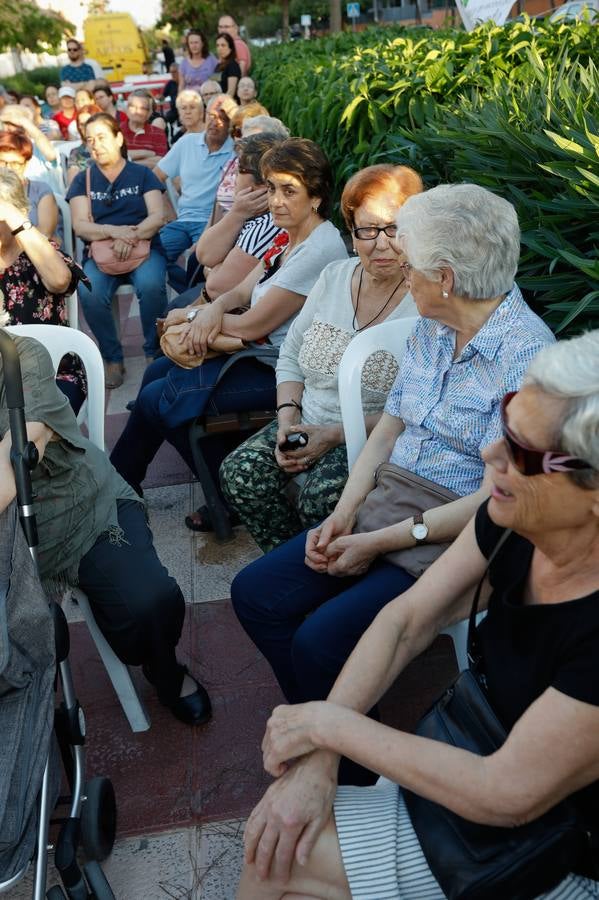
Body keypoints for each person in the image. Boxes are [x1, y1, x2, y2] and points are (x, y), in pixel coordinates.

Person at [237, 331, 599, 900]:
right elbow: (405, 621)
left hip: (557, 847)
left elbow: (508, 795)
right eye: (505, 423)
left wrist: (329, 727)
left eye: (523, 452)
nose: (489, 455)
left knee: (276, 858)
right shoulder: (514, 523)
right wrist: (319, 764)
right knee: (278, 842)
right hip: (479, 770)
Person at [231, 184, 556, 785]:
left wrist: (378, 542)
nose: (400, 272)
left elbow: (497, 500)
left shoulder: (527, 358)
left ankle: (351, 772)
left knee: (320, 641)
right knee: (255, 594)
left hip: (464, 530)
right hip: (392, 500)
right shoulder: (435, 325)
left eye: (410, 263)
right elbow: (388, 433)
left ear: (447, 278)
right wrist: (346, 513)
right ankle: (334, 736)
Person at [110, 138, 348, 501]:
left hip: (277, 367)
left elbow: (254, 324)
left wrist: (194, 316)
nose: (276, 200)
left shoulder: (318, 248)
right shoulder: (289, 237)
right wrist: (210, 310)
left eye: (289, 190)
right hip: (253, 351)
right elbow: (239, 292)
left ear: (315, 196)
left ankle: (176, 491)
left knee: (159, 398)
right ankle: (202, 488)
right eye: (271, 189)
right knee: (158, 375)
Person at [0, 328, 212, 728]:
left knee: (149, 602)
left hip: (76, 513)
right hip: (5, 544)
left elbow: (11, 470)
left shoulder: (21, 357)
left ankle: (162, 667)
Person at [220, 164, 424, 548]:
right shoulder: (333, 276)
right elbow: (291, 355)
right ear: (352, 231)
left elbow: (416, 404)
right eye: (367, 230)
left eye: (394, 229)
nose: (381, 244)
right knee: (240, 473)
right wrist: (287, 420)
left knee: (321, 498)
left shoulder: (424, 300)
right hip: (306, 418)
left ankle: (319, 571)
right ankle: (286, 565)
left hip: (373, 437)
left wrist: (332, 436)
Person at [67, 113, 168, 388]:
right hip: (101, 253)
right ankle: (112, 357)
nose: (95, 145)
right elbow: (80, 225)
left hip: (145, 247)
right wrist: (116, 232)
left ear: (118, 138)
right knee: (90, 291)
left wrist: (130, 236)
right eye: (89, 140)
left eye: (101, 137)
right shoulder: (82, 180)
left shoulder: (142, 174)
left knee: (151, 284)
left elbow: (157, 216)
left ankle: (154, 352)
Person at [0, 169, 86, 412]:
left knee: (28, 425)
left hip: (51, 375)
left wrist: (12, 216)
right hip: (1, 383)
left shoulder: (38, 252)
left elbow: (60, 281)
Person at [154, 95, 235, 291]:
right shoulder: (187, 142)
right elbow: (155, 178)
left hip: (215, 223)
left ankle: (194, 298)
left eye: (223, 119)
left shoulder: (237, 150)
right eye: (212, 116)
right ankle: (191, 294)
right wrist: (167, 210)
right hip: (183, 220)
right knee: (153, 253)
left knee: (200, 261)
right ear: (205, 116)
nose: (215, 123)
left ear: (232, 125)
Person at [0, 130, 58, 239]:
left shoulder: (40, 190)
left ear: (26, 164)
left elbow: (45, 234)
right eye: (2, 162)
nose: (7, 168)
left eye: (15, 164)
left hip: (32, 252)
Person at [121, 90, 168, 169]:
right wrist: (148, 153)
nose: (136, 111)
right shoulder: (117, 131)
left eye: (142, 108)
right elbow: (116, 158)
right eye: (132, 106)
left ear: (149, 113)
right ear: (127, 109)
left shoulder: (158, 133)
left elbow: (161, 162)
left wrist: (128, 162)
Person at [66, 103, 102, 184]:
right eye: (81, 124)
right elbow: (72, 185)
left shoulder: (110, 146)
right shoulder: (76, 153)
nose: (85, 127)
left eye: (88, 123)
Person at [215, 32, 241, 99]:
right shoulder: (218, 66)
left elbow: (230, 92)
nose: (220, 48)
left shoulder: (232, 65)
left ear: (230, 48)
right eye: (217, 45)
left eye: (223, 45)